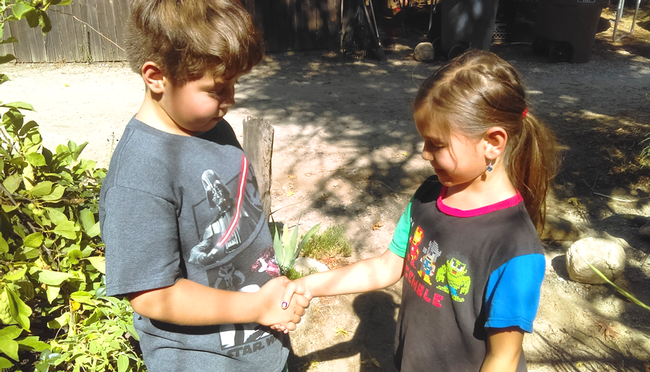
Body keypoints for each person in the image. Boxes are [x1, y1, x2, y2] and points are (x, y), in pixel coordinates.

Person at [277, 49, 558, 372]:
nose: (424, 154)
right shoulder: (428, 196)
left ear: (492, 142)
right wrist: (310, 286)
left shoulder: (514, 247)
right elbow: (386, 266)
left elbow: (503, 357)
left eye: (437, 144)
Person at [98, 1, 309, 371]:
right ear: (155, 77)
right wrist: (256, 306)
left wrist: (267, 299)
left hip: (259, 343)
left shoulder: (214, 128)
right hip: (205, 360)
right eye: (216, 89)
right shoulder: (138, 177)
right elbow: (153, 295)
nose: (230, 100)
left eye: (235, 84)